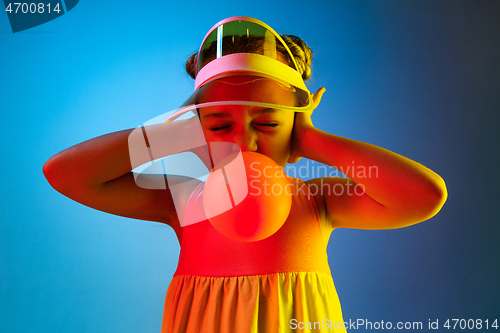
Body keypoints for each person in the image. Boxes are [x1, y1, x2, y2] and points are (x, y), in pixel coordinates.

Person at [43, 17, 447, 333]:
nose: (245, 142)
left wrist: (311, 139)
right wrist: (172, 133)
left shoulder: (317, 200)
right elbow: (66, 173)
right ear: (195, 128)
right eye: (219, 126)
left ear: (294, 124)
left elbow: (423, 196)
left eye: (268, 124)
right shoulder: (184, 200)